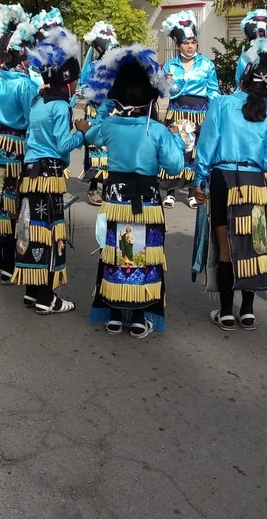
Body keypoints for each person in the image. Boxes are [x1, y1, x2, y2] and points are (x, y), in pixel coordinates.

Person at [82, 45, 185, 337]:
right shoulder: (158, 130)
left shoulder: (111, 125)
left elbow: (90, 135)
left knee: (117, 252)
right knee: (142, 255)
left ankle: (114, 314)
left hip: (116, 200)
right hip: (148, 202)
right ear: (150, 98)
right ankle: (139, 316)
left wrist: (104, 106)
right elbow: (176, 167)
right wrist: (176, 138)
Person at [193, 37, 267, 332]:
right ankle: (247, 311)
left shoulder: (221, 104)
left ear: (243, 75)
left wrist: (199, 180)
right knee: (254, 246)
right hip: (254, 183)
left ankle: (225, 312)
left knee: (225, 248)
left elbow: (207, 146)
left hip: (224, 179)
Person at [13, 26, 86, 314]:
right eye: (76, 79)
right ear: (67, 80)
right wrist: (81, 133)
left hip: (30, 173)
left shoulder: (38, 101)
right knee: (50, 232)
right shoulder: (61, 107)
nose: (78, 85)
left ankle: (33, 291)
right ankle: (47, 297)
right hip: (48, 175)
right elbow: (62, 144)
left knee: (31, 229)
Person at [0, 6, 40, 282]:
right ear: (22, 57)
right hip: (16, 147)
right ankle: (10, 266)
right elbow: (31, 123)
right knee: (13, 204)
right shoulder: (25, 86)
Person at [159, 10, 220, 209]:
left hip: (199, 111)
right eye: (186, 43)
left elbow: (213, 90)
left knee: (195, 151)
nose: (190, 46)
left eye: (193, 42)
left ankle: (194, 190)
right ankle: (170, 191)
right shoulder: (170, 65)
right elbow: (162, 90)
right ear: (178, 45)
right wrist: (167, 83)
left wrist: (216, 112)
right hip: (176, 109)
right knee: (174, 148)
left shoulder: (207, 64)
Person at [235, 9, 267, 187]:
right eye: (258, 35)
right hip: (250, 104)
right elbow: (240, 81)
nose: (261, 38)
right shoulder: (245, 56)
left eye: (264, 35)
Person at [79, 21, 118, 206]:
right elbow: (83, 86)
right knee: (95, 150)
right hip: (95, 110)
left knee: (112, 150)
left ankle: (110, 185)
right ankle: (93, 186)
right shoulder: (93, 66)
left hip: (113, 111)